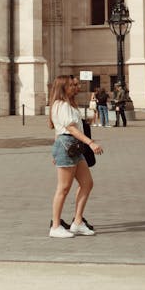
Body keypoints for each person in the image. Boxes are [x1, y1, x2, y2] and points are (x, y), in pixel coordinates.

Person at [48, 74, 103, 239]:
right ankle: (56, 226)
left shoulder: (68, 104)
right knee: (63, 188)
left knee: (87, 183)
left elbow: (60, 131)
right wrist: (91, 143)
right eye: (72, 85)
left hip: (72, 147)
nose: (75, 87)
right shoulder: (61, 105)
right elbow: (70, 129)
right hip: (67, 145)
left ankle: (78, 222)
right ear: (63, 87)